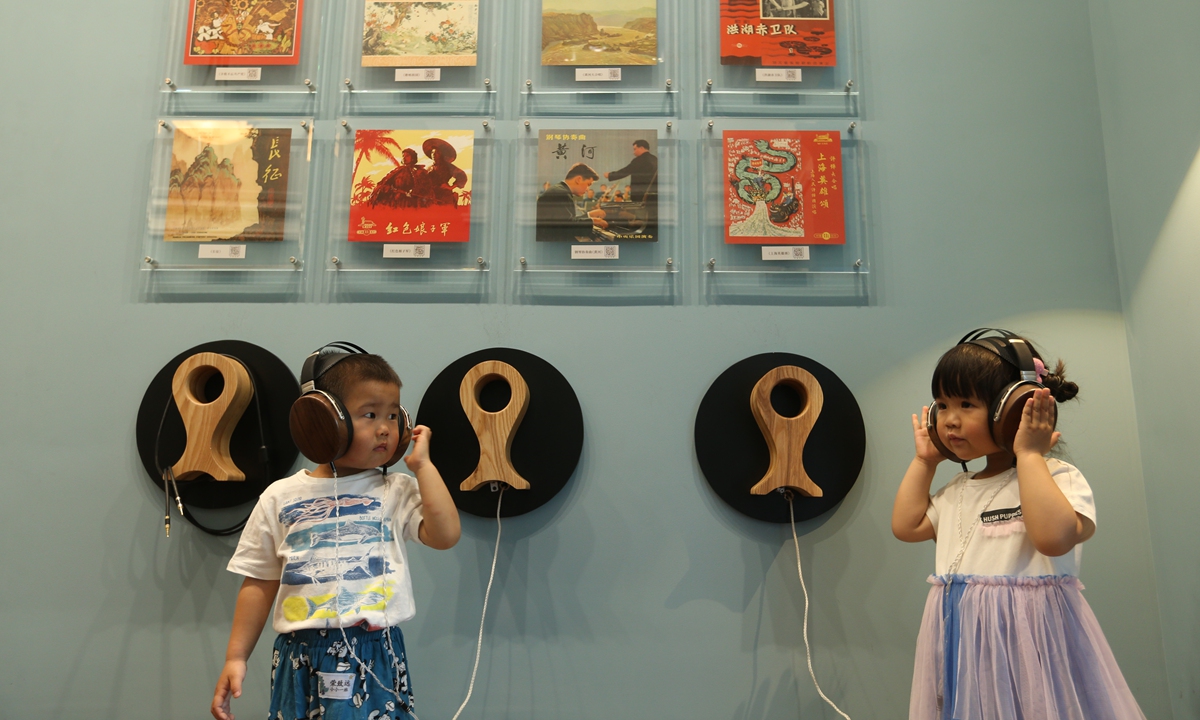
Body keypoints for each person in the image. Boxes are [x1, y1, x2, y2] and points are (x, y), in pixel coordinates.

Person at [891, 329, 1145, 720]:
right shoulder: (959, 489)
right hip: (965, 645)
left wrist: (1027, 454)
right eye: (941, 405)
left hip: (1034, 648)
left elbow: (1053, 539)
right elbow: (907, 527)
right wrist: (924, 462)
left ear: (1011, 412)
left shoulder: (1058, 478)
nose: (950, 420)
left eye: (966, 404)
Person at [210, 351, 461, 720]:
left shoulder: (396, 490)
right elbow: (259, 581)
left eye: (394, 415)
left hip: (376, 650)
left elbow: (445, 535)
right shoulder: (280, 497)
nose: (386, 428)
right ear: (326, 421)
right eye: (370, 414)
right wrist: (236, 656)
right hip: (301, 654)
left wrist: (423, 466)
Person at [535, 162, 608, 242]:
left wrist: (589, 215)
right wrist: (594, 221)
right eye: (588, 184)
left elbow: (566, 220)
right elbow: (567, 227)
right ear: (578, 179)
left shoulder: (561, 190)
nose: (587, 189)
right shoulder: (560, 193)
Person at [604, 140, 657, 204]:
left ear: (642, 148)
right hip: (654, 195)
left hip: (640, 196)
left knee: (640, 213)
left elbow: (626, 171)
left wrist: (610, 175)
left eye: (635, 149)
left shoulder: (639, 160)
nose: (633, 152)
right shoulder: (655, 159)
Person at [422, 138, 468, 207]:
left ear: (441, 154)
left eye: (437, 153)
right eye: (432, 152)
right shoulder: (428, 168)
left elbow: (462, 176)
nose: (434, 154)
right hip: (431, 196)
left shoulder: (448, 167)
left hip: (444, 195)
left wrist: (451, 187)